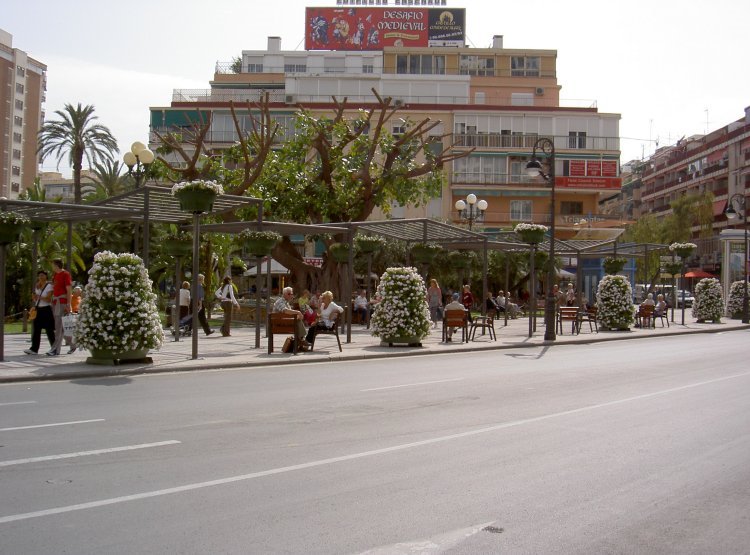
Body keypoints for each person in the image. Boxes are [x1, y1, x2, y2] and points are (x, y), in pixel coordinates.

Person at [25, 270, 55, 355]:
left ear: (46, 276)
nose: (41, 277)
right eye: (39, 275)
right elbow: (35, 298)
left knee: (49, 330)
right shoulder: (37, 285)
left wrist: (39, 297)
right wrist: (35, 297)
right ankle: (34, 349)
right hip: (38, 309)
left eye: (42, 275)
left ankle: (54, 348)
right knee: (36, 329)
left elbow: (49, 299)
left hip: (46, 309)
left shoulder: (49, 286)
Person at [48, 259, 74, 356]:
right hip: (55, 302)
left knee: (58, 326)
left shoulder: (65, 274)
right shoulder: (55, 275)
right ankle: (73, 344)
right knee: (61, 327)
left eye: (53, 265)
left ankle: (55, 349)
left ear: (57, 265)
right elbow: (54, 286)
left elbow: (69, 290)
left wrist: (68, 303)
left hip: (61, 302)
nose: (52, 267)